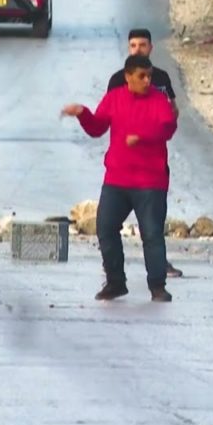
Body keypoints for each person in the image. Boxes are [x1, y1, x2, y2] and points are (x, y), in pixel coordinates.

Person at [63, 55, 178, 303]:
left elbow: (167, 128)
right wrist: (82, 113)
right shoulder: (115, 98)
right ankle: (116, 282)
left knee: (152, 234)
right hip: (117, 179)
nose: (147, 81)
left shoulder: (159, 100)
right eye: (141, 76)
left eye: (149, 76)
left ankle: (157, 286)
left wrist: (143, 136)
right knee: (105, 228)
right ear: (128, 77)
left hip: (150, 181)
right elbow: (97, 128)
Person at [107, 28, 183, 277]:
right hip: (124, 166)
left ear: (151, 48)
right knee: (109, 222)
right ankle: (113, 267)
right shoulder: (118, 80)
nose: (137, 49)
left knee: (153, 221)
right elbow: (109, 114)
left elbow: (172, 111)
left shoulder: (160, 79)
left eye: (142, 45)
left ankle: (159, 265)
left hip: (154, 164)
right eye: (133, 46)